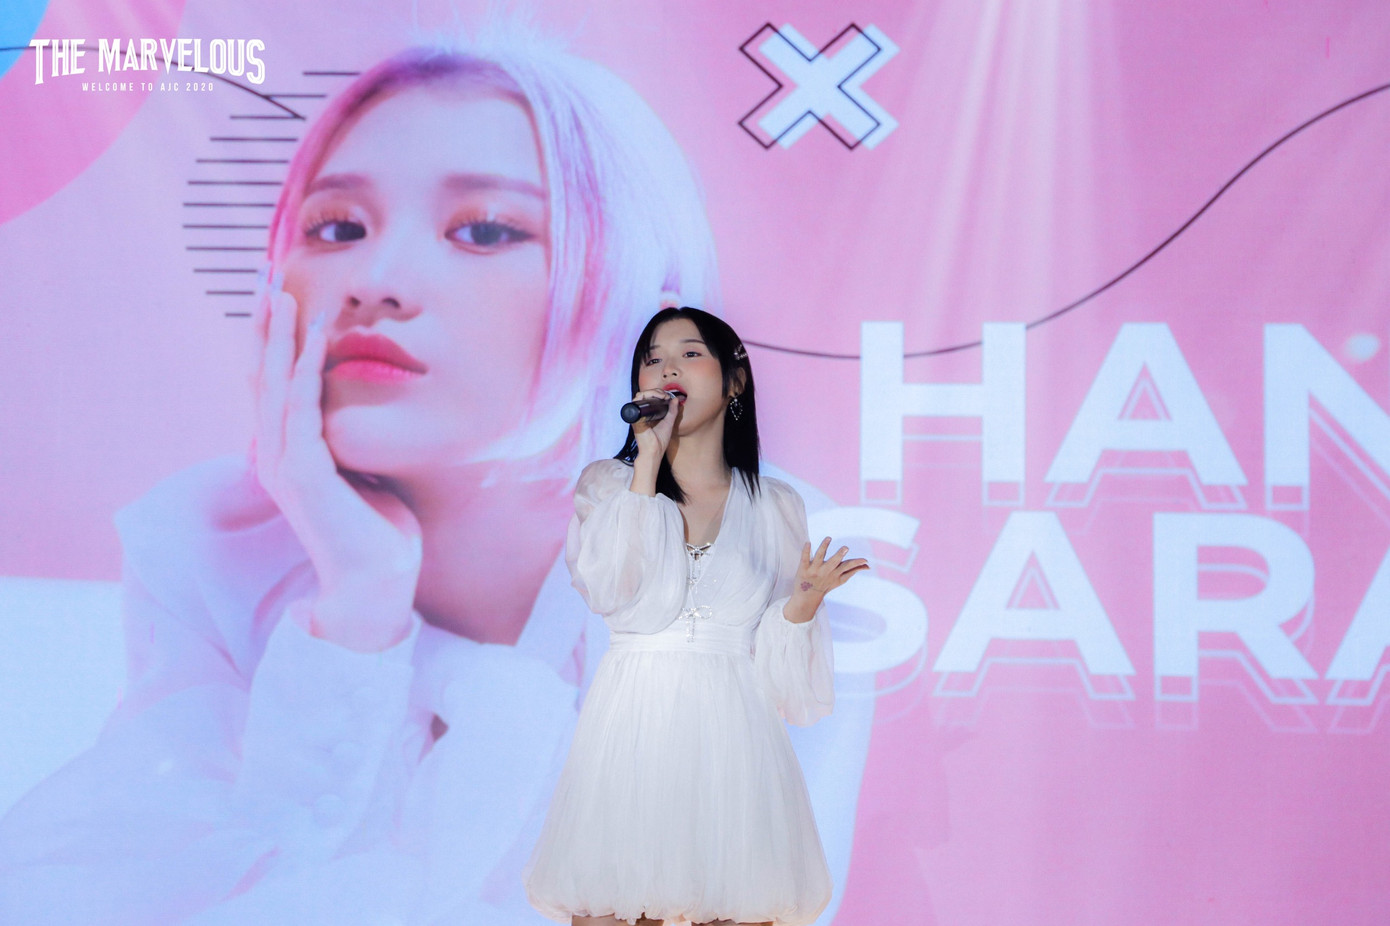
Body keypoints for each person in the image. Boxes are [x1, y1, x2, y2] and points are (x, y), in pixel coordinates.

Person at [0, 29, 874, 926]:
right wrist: (357, 606)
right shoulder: (216, 551)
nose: (373, 280)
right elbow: (185, 890)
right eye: (337, 227)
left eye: (485, 229)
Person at [526, 308, 868, 926]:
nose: (667, 370)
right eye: (652, 359)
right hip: (633, 731)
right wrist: (648, 461)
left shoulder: (775, 505)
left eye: (689, 354)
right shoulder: (608, 486)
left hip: (735, 741)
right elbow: (610, 588)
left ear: (734, 381)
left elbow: (784, 687)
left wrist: (801, 606)